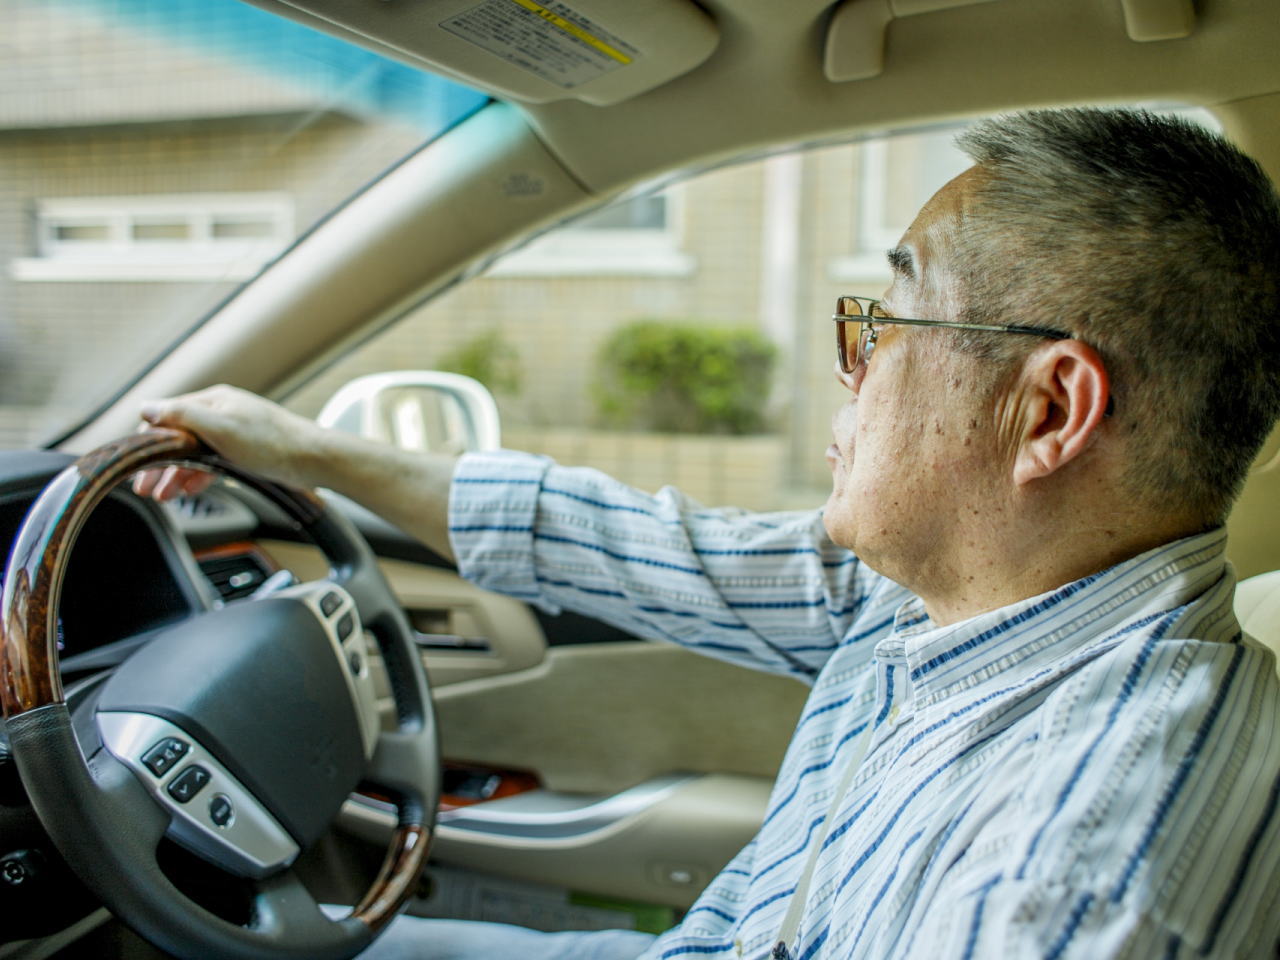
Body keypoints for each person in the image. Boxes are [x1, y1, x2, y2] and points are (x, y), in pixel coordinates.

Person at [135, 108, 1280, 959]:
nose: (852, 369)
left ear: (1046, 412)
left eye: (885, 322)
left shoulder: (1062, 889)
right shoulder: (958, 598)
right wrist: (295, 450)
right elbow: (638, 545)